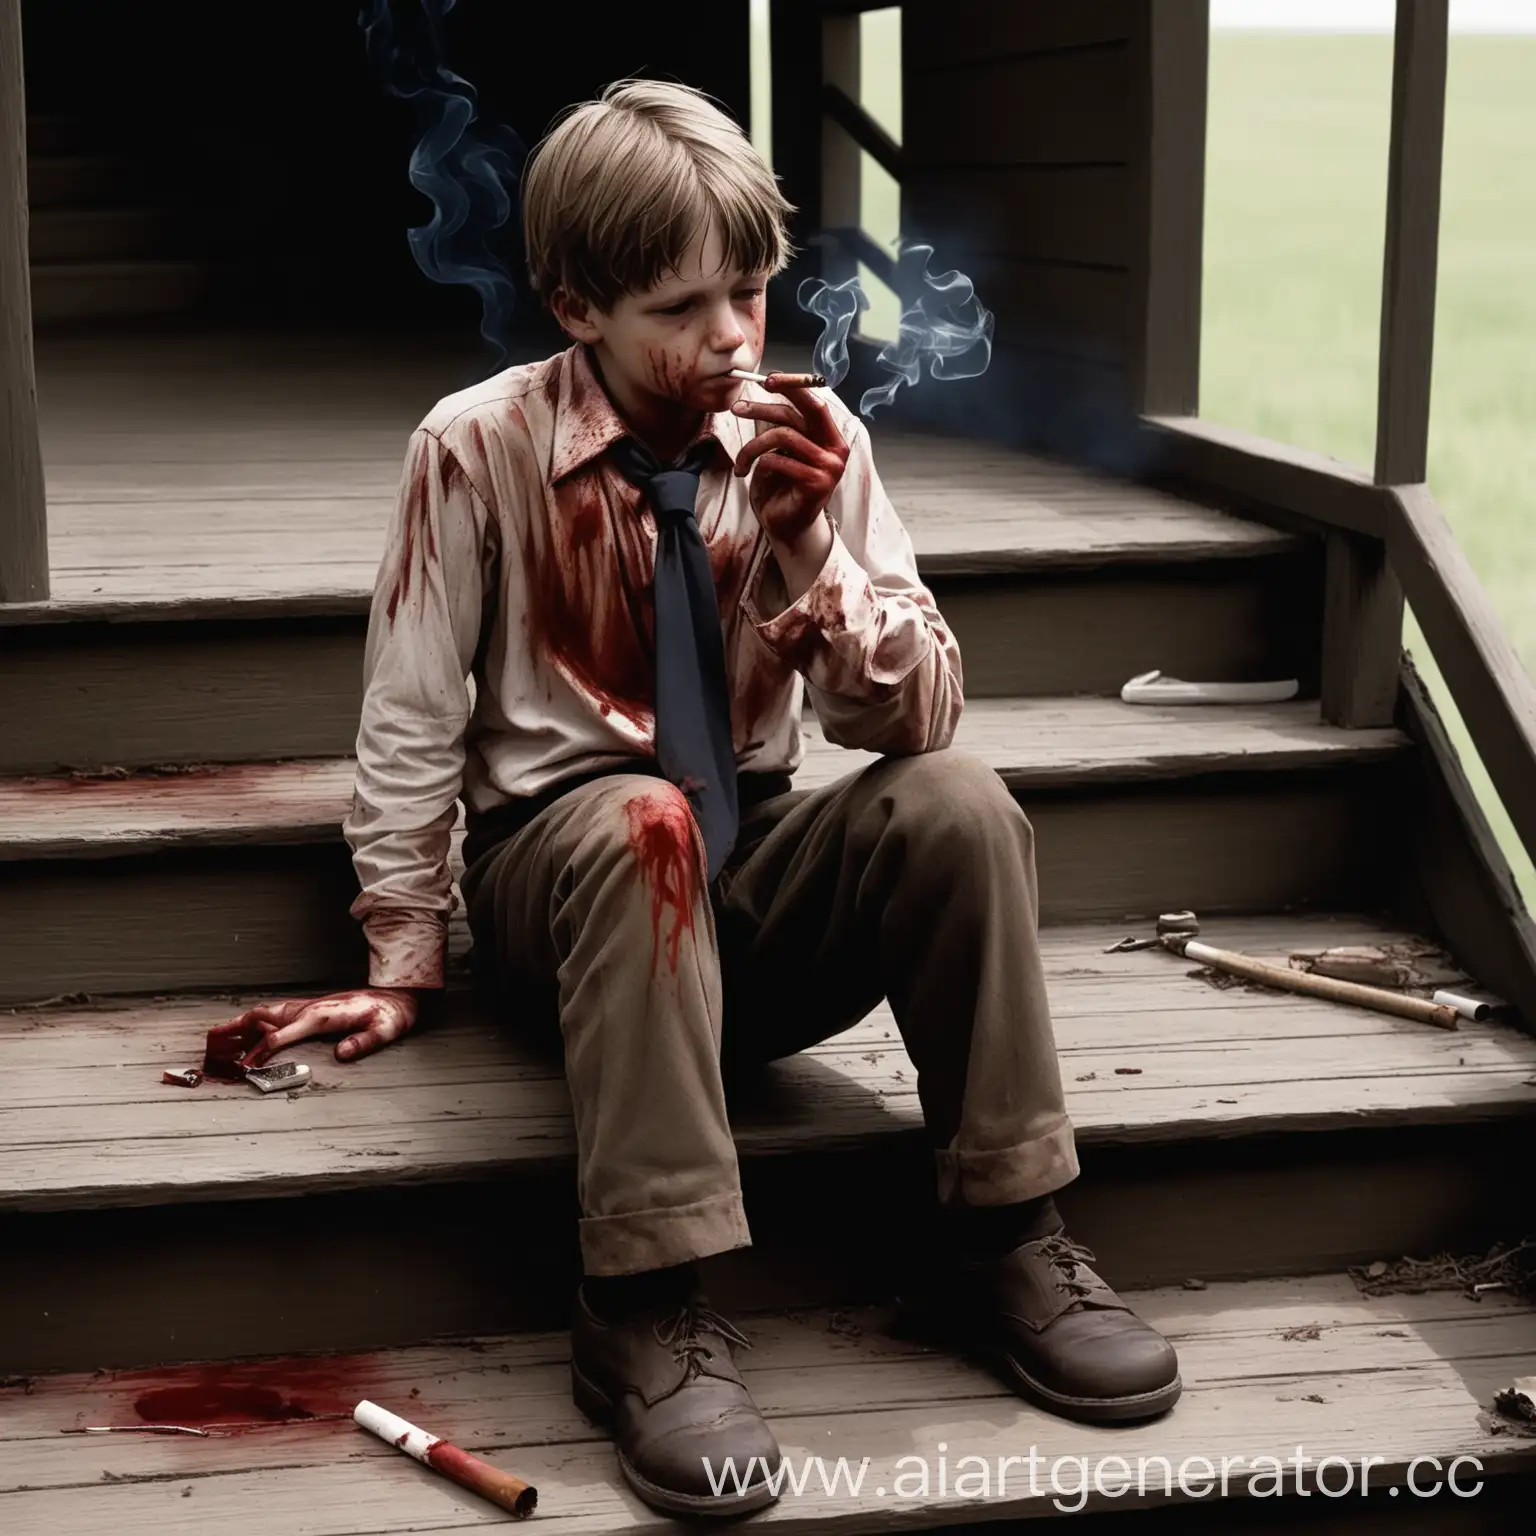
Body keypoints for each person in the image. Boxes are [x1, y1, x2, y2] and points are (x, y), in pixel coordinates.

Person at [221, 76, 1180, 1519]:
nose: (733, 334)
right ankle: (644, 1306)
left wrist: (811, 561)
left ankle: (1004, 1237)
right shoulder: (474, 449)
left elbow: (914, 714)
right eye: (682, 307)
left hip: (750, 862)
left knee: (961, 802)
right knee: (636, 821)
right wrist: (403, 953)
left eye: (750, 291)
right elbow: (410, 720)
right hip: (570, 886)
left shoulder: (808, 442)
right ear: (574, 307)